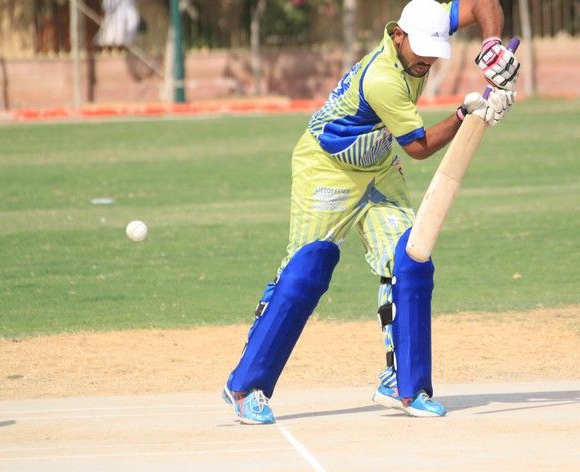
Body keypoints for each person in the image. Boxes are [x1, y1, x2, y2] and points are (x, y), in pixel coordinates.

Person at [223, 0, 520, 423]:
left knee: (411, 257)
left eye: (434, 52)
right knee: (306, 270)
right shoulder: (382, 79)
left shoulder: (426, 25)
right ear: (398, 35)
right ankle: (245, 386)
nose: (427, 61)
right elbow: (418, 147)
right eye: (421, 51)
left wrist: (491, 45)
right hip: (326, 169)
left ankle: (405, 385)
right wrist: (465, 115)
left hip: (377, 168)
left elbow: (482, 3)